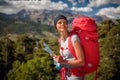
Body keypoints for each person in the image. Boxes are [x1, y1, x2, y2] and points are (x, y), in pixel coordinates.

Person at [54, 14, 85, 80]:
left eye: (65, 22)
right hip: (66, 75)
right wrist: (59, 59)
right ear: (56, 26)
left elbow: (81, 61)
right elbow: (67, 57)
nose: (62, 24)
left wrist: (63, 61)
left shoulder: (74, 38)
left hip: (75, 76)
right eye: (59, 22)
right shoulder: (61, 40)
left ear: (67, 25)